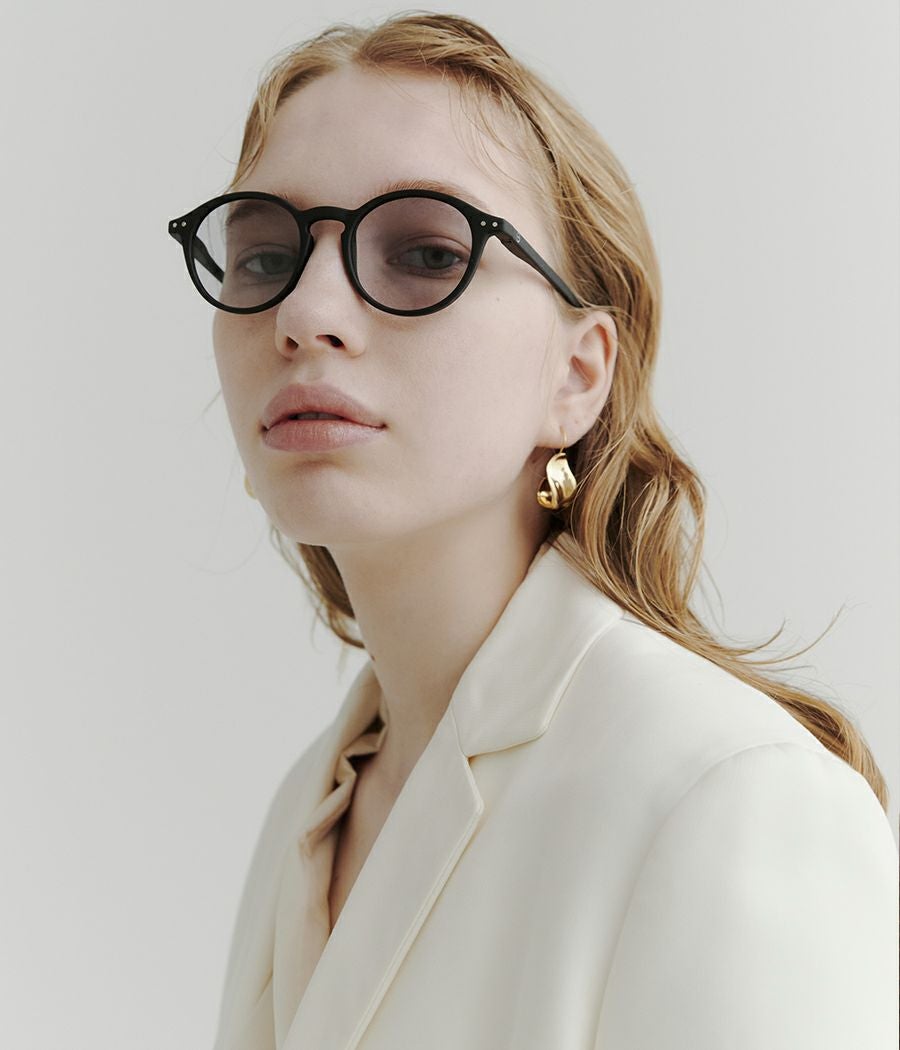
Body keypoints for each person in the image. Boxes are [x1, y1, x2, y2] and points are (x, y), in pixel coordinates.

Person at [168, 12, 898, 1049]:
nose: (304, 312)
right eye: (264, 256)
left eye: (426, 252)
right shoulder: (311, 804)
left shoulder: (730, 795)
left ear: (578, 374)